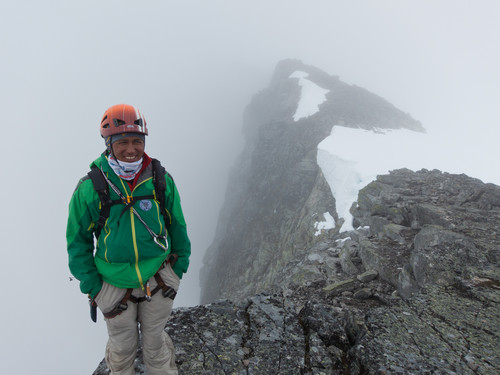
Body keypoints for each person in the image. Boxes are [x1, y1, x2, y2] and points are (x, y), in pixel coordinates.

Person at [66, 104, 191, 375]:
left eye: (137, 141)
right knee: (122, 349)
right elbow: (78, 242)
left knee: (155, 344)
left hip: (158, 278)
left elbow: (177, 226)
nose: (132, 149)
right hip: (112, 284)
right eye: (123, 142)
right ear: (109, 143)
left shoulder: (159, 179)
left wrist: (177, 270)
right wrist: (93, 286)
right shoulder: (91, 188)